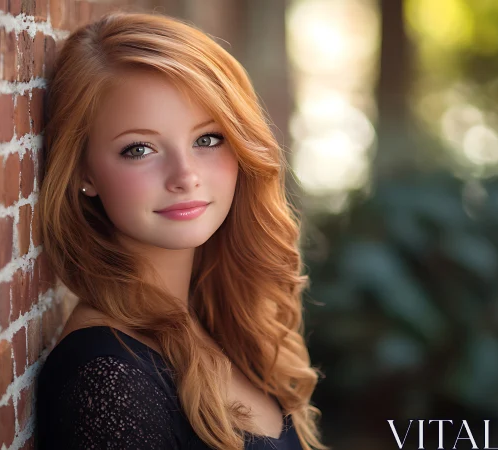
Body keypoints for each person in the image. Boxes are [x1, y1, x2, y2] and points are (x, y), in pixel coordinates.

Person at [35, 10, 327, 450]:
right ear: (84, 171)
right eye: (139, 148)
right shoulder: (108, 379)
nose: (185, 175)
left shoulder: (220, 321)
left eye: (207, 139)